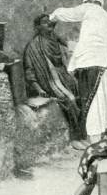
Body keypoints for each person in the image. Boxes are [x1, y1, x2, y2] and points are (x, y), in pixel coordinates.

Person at [49, 0, 107, 142]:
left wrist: (51, 16)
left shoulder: (89, 9)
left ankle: (94, 138)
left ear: (88, 1)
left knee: (93, 100)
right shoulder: (106, 16)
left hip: (93, 63)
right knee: (106, 98)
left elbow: (69, 13)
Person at [23, 14, 88, 150]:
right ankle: (74, 138)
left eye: (50, 22)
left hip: (63, 75)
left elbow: (70, 45)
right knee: (68, 99)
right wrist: (39, 89)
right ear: (38, 27)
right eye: (45, 23)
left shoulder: (54, 39)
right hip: (48, 80)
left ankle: (82, 135)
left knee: (81, 94)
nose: (49, 25)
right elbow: (29, 72)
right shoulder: (33, 46)